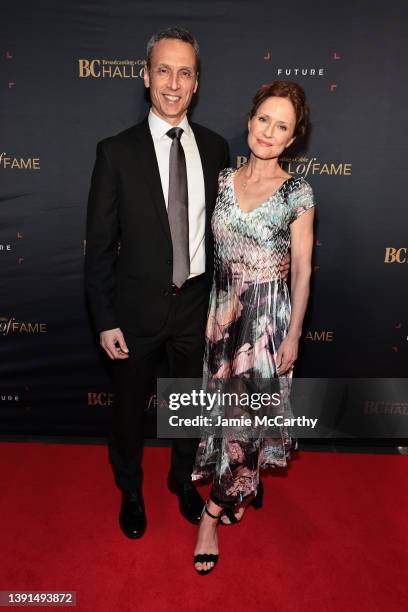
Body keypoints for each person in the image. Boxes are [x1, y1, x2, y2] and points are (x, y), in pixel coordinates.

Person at [85, 27, 289, 540]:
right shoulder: (114, 152)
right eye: (163, 70)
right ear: (145, 75)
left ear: (196, 82)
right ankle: (130, 490)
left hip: (199, 307)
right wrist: (105, 317)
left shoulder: (218, 148)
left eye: (184, 72)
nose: (173, 83)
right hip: (133, 311)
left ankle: (182, 481)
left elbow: (234, 228)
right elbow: (98, 245)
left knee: (187, 406)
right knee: (130, 411)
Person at [191, 81, 316, 574]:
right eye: (264, 119)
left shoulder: (297, 192)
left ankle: (209, 518)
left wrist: (295, 333)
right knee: (226, 423)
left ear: (292, 139)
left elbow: (303, 269)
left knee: (247, 425)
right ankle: (239, 487)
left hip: (266, 324)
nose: (269, 131)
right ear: (249, 122)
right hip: (221, 317)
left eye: (281, 125)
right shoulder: (221, 180)